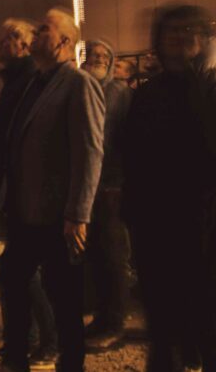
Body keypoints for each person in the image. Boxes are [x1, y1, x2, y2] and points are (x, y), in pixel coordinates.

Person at [121, 5, 216, 372]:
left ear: (201, 40)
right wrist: (133, 210)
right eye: (171, 30)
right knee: (163, 328)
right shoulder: (146, 95)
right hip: (154, 228)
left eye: (188, 30)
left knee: (211, 326)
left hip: (200, 230)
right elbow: (132, 156)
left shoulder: (211, 94)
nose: (179, 36)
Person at [0, 7, 105, 372]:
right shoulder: (34, 84)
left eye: (43, 29)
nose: (35, 34)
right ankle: (15, 359)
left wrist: (78, 214)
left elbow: (90, 151)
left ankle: (70, 364)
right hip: (27, 210)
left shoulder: (79, 84)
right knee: (12, 277)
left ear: (64, 42)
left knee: (64, 298)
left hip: (59, 215)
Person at [0, 18, 59, 369]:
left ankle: (48, 341)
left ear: (29, 45)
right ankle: (25, 339)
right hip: (12, 184)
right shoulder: (15, 81)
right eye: (5, 36)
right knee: (17, 271)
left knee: (21, 271)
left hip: (26, 186)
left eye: (15, 36)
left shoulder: (30, 81)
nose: (6, 42)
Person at [81, 39, 133, 349]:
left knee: (114, 258)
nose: (98, 59)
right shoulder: (81, 88)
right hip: (88, 187)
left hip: (112, 186)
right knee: (96, 256)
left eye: (104, 55)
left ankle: (115, 322)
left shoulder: (120, 94)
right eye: (93, 55)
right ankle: (101, 317)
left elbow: (125, 141)